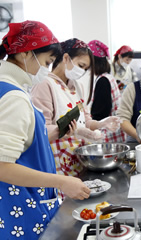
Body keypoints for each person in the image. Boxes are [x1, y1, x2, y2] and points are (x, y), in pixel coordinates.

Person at [0, 20, 90, 239]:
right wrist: (61, 181)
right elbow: (2, 166)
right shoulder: (14, 97)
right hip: (19, 206)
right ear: (26, 54)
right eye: (47, 61)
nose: (47, 69)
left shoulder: (6, 87)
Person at [31, 38, 120, 182]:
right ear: (66, 58)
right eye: (81, 65)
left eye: (86, 69)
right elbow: (42, 131)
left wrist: (101, 123)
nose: (82, 72)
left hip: (78, 158)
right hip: (58, 160)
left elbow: (85, 120)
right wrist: (76, 130)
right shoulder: (45, 85)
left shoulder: (76, 86)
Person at [87, 40, 126, 143]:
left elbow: (100, 113)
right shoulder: (108, 77)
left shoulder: (102, 81)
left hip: (108, 137)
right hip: (115, 135)